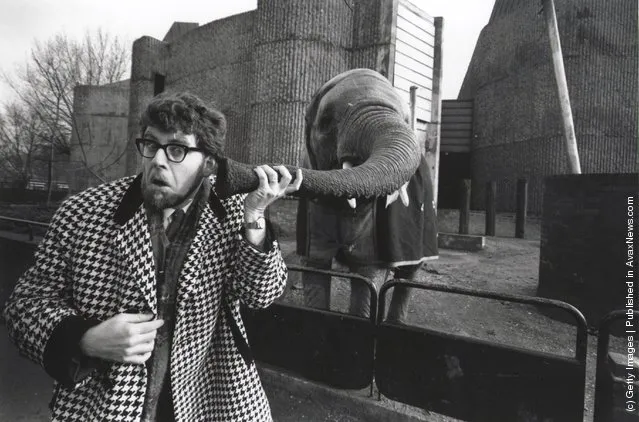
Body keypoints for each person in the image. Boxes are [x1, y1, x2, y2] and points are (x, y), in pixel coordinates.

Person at [3, 91, 302, 422]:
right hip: (105, 407)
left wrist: (255, 216)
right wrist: (85, 338)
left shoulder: (234, 214)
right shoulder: (82, 213)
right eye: (150, 145)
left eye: (176, 149)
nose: (158, 160)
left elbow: (262, 295)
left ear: (209, 164)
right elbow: (25, 306)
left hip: (210, 400)